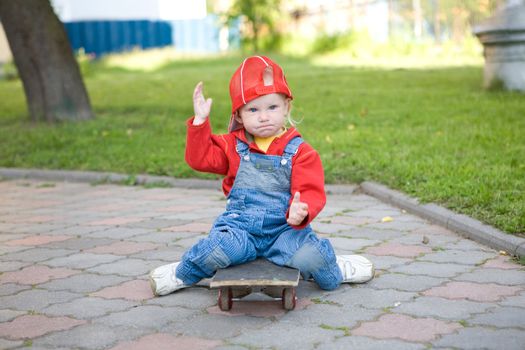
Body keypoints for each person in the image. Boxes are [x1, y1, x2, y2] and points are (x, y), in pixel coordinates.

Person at [150, 55, 374, 296]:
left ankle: (336, 268)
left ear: (287, 106)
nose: (264, 116)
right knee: (217, 248)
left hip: (284, 230)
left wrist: (302, 210)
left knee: (312, 257)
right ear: (238, 115)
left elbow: (310, 189)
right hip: (240, 228)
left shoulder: (300, 151)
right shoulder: (233, 146)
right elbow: (199, 158)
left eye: (272, 107)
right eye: (253, 109)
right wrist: (200, 121)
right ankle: (184, 272)